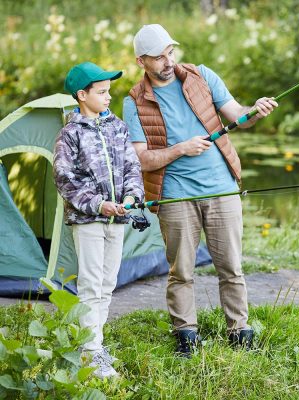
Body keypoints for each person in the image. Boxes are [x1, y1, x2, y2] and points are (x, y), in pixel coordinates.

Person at [123, 24, 278, 357]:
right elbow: (140, 159)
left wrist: (255, 110)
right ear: (141, 61)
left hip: (222, 188)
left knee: (232, 266)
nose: (168, 61)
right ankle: (186, 335)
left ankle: (240, 332)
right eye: (158, 57)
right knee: (181, 270)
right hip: (175, 194)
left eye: (170, 52)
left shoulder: (202, 76)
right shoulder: (134, 101)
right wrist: (180, 149)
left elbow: (238, 115)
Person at [54, 62, 144, 377]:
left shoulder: (117, 126)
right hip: (89, 221)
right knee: (91, 284)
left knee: (107, 284)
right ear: (82, 95)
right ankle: (91, 355)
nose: (108, 97)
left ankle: (95, 343)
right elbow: (66, 180)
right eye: (102, 92)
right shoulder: (70, 133)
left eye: (109, 91)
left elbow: (133, 166)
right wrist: (99, 205)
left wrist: (132, 197)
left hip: (118, 221)